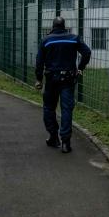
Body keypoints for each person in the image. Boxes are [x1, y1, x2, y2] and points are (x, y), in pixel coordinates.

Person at [35, 16, 91, 153]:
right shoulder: (73, 38)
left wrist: (39, 79)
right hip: (68, 79)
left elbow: (39, 62)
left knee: (49, 108)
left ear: (52, 27)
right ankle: (66, 143)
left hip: (51, 79)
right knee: (66, 109)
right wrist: (80, 68)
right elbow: (87, 52)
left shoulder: (46, 40)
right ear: (64, 26)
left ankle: (53, 137)